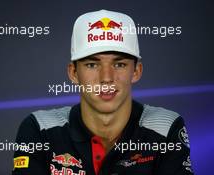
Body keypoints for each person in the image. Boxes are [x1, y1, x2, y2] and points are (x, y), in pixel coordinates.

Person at [12, 9, 193, 175]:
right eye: (92, 64)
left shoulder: (165, 127)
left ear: (136, 71)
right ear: (73, 73)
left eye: (119, 64)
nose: (106, 78)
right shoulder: (40, 128)